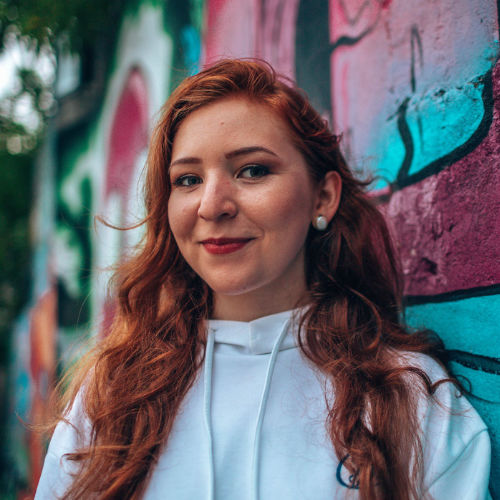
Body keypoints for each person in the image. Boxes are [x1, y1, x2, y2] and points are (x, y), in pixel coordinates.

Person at [35, 59, 491, 500]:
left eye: (252, 170)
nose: (212, 206)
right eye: (188, 179)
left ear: (324, 196)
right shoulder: (113, 395)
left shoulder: (408, 400)